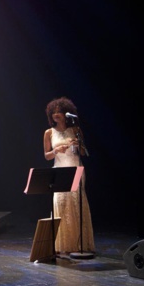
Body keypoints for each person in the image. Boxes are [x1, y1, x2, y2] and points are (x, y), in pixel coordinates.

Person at [43, 96, 95, 256]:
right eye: (53, 112)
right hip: (60, 169)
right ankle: (62, 245)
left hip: (76, 168)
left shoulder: (76, 130)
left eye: (59, 111)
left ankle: (79, 245)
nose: (56, 114)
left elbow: (83, 152)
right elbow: (47, 156)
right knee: (61, 204)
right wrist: (55, 151)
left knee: (76, 204)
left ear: (67, 113)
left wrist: (78, 145)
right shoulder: (49, 133)